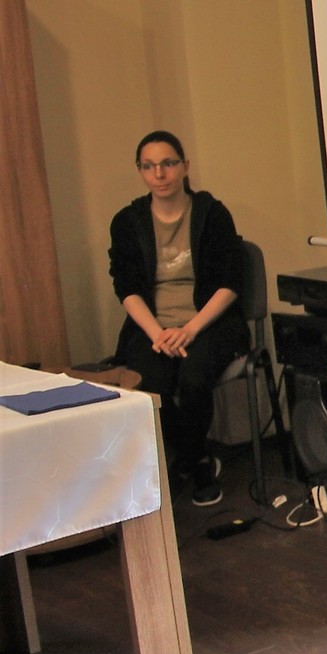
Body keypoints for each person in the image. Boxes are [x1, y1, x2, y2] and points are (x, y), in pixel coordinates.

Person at [108, 130, 250, 507]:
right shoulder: (127, 221)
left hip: (208, 323)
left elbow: (230, 283)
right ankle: (195, 457)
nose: (160, 174)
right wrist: (157, 333)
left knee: (192, 379)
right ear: (140, 171)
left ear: (185, 166)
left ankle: (190, 463)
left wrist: (189, 329)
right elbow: (126, 287)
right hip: (152, 327)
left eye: (168, 163)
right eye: (149, 166)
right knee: (148, 383)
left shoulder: (211, 214)